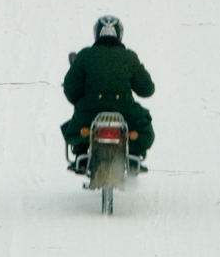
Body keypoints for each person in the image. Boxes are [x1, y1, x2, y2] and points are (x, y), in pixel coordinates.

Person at [61, 15, 155, 174]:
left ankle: (82, 153)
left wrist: (81, 102)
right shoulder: (130, 57)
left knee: (75, 128)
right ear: (119, 33)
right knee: (143, 127)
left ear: (97, 33)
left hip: (90, 111)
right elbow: (147, 90)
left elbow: (70, 90)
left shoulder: (84, 55)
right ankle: (133, 154)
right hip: (125, 111)